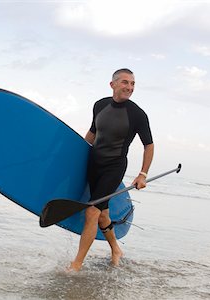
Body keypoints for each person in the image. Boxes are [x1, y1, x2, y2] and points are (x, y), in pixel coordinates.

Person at [69, 68, 154, 271]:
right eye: (125, 82)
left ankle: (76, 264)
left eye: (132, 84)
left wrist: (143, 174)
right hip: (94, 163)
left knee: (91, 212)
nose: (130, 87)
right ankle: (116, 249)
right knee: (103, 214)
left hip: (114, 167)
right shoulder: (100, 105)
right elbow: (92, 133)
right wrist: (73, 156)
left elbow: (148, 145)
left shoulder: (137, 114)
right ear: (113, 84)